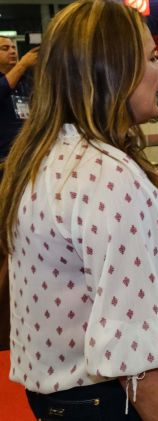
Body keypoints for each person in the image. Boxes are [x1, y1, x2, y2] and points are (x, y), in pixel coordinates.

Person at [0, 0, 158, 420]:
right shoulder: (109, 174)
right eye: (150, 58)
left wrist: (148, 205)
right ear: (115, 71)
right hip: (109, 400)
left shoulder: (49, 153)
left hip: (63, 397)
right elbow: (133, 349)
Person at [0, 36, 37, 351]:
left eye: (14, 47)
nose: (12, 51)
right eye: (4, 48)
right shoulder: (8, 82)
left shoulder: (24, 84)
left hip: (25, 166)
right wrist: (23, 64)